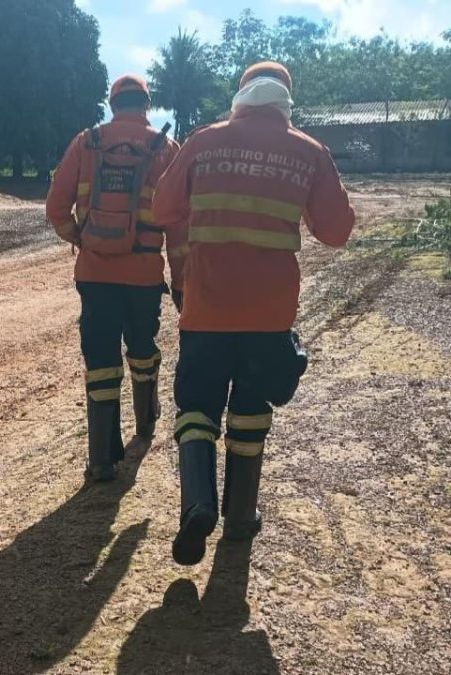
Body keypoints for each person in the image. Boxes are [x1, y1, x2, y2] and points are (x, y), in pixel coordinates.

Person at [152, 62, 355, 565]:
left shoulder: (203, 141)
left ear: (242, 95)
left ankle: (198, 504)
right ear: (286, 100)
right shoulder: (309, 151)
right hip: (269, 316)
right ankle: (240, 518)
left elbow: (161, 210)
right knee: (251, 410)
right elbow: (337, 231)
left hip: (206, 311)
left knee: (196, 410)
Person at [46, 74, 183, 482]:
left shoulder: (86, 142)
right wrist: (180, 282)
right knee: (143, 347)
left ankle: (102, 460)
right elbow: (178, 227)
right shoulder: (166, 149)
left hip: (95, 272)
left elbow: (55, 208)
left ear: (111, 104)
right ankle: (145, 422)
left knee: (101, 360)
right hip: (143, 275)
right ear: (146, 104)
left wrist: (83, 239)